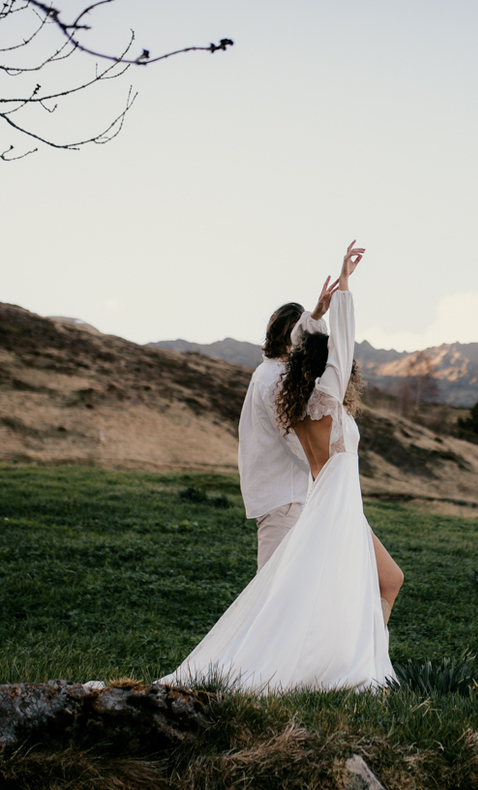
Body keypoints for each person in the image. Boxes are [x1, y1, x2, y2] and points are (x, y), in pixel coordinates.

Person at [158, 241, 402, 692]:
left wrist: (317, 311)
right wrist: (344, 288)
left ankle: (357, 662)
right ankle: (296, 674)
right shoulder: (311, 391)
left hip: (325, 502)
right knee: (283, 605)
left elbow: (317, 345)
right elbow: (341, 343)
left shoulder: (295, 391)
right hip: (316, 504)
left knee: (344, 592)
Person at [238, 279, 335, 570]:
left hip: (282, 494)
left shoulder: (269, 372)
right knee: (271, 590)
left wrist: (315, 316)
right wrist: (326, 467)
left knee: (285, 586)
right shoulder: (274, 379)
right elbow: (292, 437)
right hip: (283, 497)